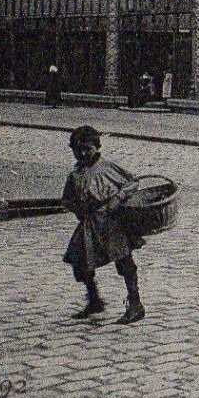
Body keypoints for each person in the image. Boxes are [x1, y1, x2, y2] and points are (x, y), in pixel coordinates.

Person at [61, 125, 146, 324]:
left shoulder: (108, 168)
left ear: (97, 147)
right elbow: (66, 199)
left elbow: (132, 182)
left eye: (87, 149)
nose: (82, 154)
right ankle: (94, 300)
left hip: (111, 222)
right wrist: (77, 209)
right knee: (79, 260)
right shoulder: (76, 174)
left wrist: (118, 197)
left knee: (124, 260)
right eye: (77, 150)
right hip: (89, 223)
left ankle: (135, 304)